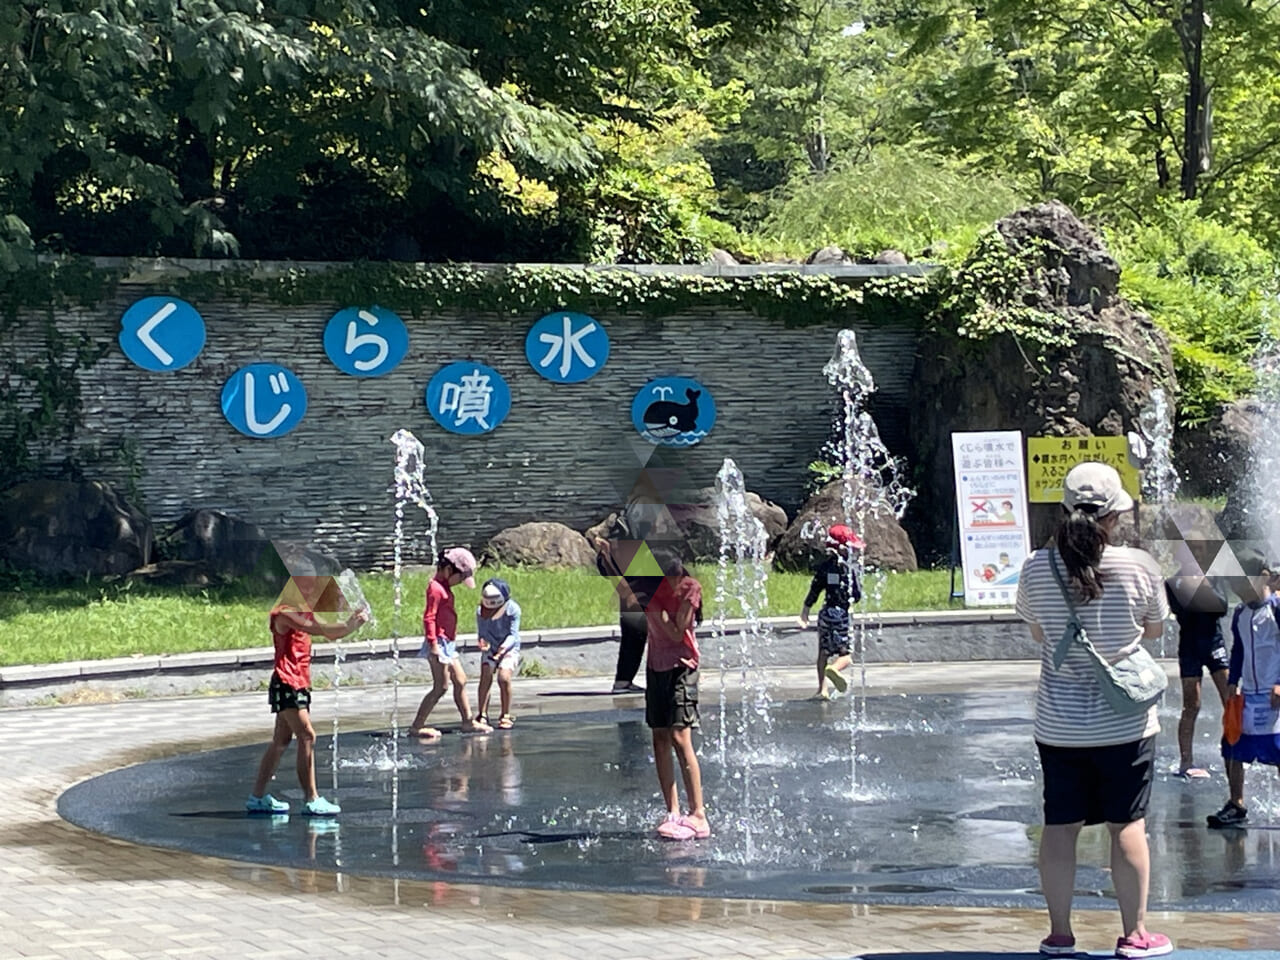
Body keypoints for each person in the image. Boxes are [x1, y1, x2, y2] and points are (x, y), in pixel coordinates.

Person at [1014, 462, 1172, 959]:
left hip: (1059, 726)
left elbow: (1038, 632)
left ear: (1064, 510)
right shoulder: (1138, 565)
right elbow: (1154, 630)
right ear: (1113, 515)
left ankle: (1060, 935)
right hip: (1124, 721)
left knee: (1059, 826)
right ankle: (1135, 934)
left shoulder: (1037, 567)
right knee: (1127, 825)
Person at [248, 575, 368, 817]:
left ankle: (257, 797)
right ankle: (311, 798)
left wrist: (350, 609)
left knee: (281, 741)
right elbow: (321, 630)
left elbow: (328, 616)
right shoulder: (284, 614)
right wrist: (350, 625)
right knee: (307, 736)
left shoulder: (301, 611)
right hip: (287, 682)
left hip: (298, 682)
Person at [1206, 552, 1280, 828]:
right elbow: (1238, 651)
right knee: (1233, 746)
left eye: (1242, 582)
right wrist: (1232, 681)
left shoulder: (1276, 609)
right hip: (1247, 694)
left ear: (1262, 576)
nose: (1237, 589)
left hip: (1273, 698)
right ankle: (1236, 803)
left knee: (1277, 748)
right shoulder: (1241, 613)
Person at [646, 549, 709, 841]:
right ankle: (672, 810)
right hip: (655, 665)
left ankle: (698, 814)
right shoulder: (648, 587)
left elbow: (676, 632)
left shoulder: (690, 588)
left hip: (682, 666)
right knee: (659, 736)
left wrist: (655, 608)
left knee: (679, 736)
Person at [409, 547, 492, 738]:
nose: (461, 582)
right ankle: (417, 726)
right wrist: (434, 646)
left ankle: (468, 722)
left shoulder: (444, 587)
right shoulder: (435, 589)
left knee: (461, 680)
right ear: (448, 570)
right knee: (441, 687)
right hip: (438, 643)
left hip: (447, 643)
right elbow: (429, 618)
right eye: (460, 578)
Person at [1166, 552, 1230, 779]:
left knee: (1230, 699)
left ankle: (1235, 752)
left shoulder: (1213, 578)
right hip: (1190, 647)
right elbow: (1182, 614)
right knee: (1191, 705)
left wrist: (1203, 586)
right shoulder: (1173, 583)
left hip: (1214, 643)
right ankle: (1186, 761)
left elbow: (1221, 608)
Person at [797, 523, 864, 700]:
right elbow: (856, 595)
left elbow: (815, 590)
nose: (854, 552)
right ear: (842, 548)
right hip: (841, 615)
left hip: (825, 614)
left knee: (823, 652)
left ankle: (822, 690)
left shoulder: (824, 567)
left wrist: (805, 612)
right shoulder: (849, 569)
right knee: (846, 656)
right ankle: (834, 669)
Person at [594, 532, 664, 694]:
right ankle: (625, 681)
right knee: (636, 641)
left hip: (636, 604)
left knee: (633, 642)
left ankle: (624, 681)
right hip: (638, 606)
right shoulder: (640, 564)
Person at [475, 577, 521, 730]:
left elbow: (513, 634)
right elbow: (482, 631)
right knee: (486, 674)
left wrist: (502, 649)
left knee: (503, 677)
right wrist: (483, 642)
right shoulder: (481, 611)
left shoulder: (513, 609)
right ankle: (482, 713)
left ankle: (505, 714)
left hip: (509, 647)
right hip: (491, 647)